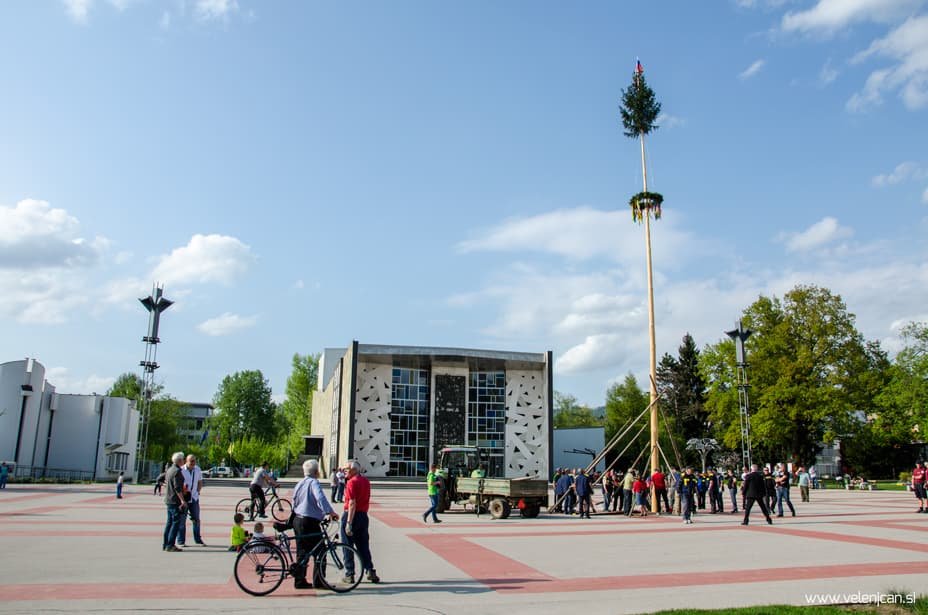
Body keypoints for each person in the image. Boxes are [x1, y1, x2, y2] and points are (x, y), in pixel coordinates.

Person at [291, 459, 338, 589]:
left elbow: (293, 500)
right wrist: (330, 512)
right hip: (309, 521)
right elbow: (320, 498)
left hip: (298, 520)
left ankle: (299, 581)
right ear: (317, 472)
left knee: (302, 552)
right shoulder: (313, 483)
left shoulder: (300, 483)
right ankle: (319, 581)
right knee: (321, 551)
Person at [341, 461, 380, 584]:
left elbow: (352, 503)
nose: (344, 470)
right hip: (363, 516)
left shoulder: (352, 482)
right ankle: (370, 570)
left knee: (347, 546)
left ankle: (350, 574)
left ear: (354, 470)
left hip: (352, 515)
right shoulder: (366, 481)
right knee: (363, 545)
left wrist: (349, 522)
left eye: (346, 468)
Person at [162, 452, 188, 552]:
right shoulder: (177, 471)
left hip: (168, 499)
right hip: (174, 501)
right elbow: (177, 488)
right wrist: (182, 500)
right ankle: (170, 545)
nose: (184, 460)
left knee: (169, 522)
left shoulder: (170, 470)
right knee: (175, 522)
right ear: (179, 460)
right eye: (183, 459)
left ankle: (166, 544)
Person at [178, 454, 205, 546]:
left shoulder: (197, 469)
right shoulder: (181, 470)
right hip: (184, 499)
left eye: (194, 461)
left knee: (196, 519)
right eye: (191, 461)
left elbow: (200, 482)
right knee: (182, 520)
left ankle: (198, 539)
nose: (193, 463)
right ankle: (181, 541)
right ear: (186, 461)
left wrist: (197, 491)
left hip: (194, 498)